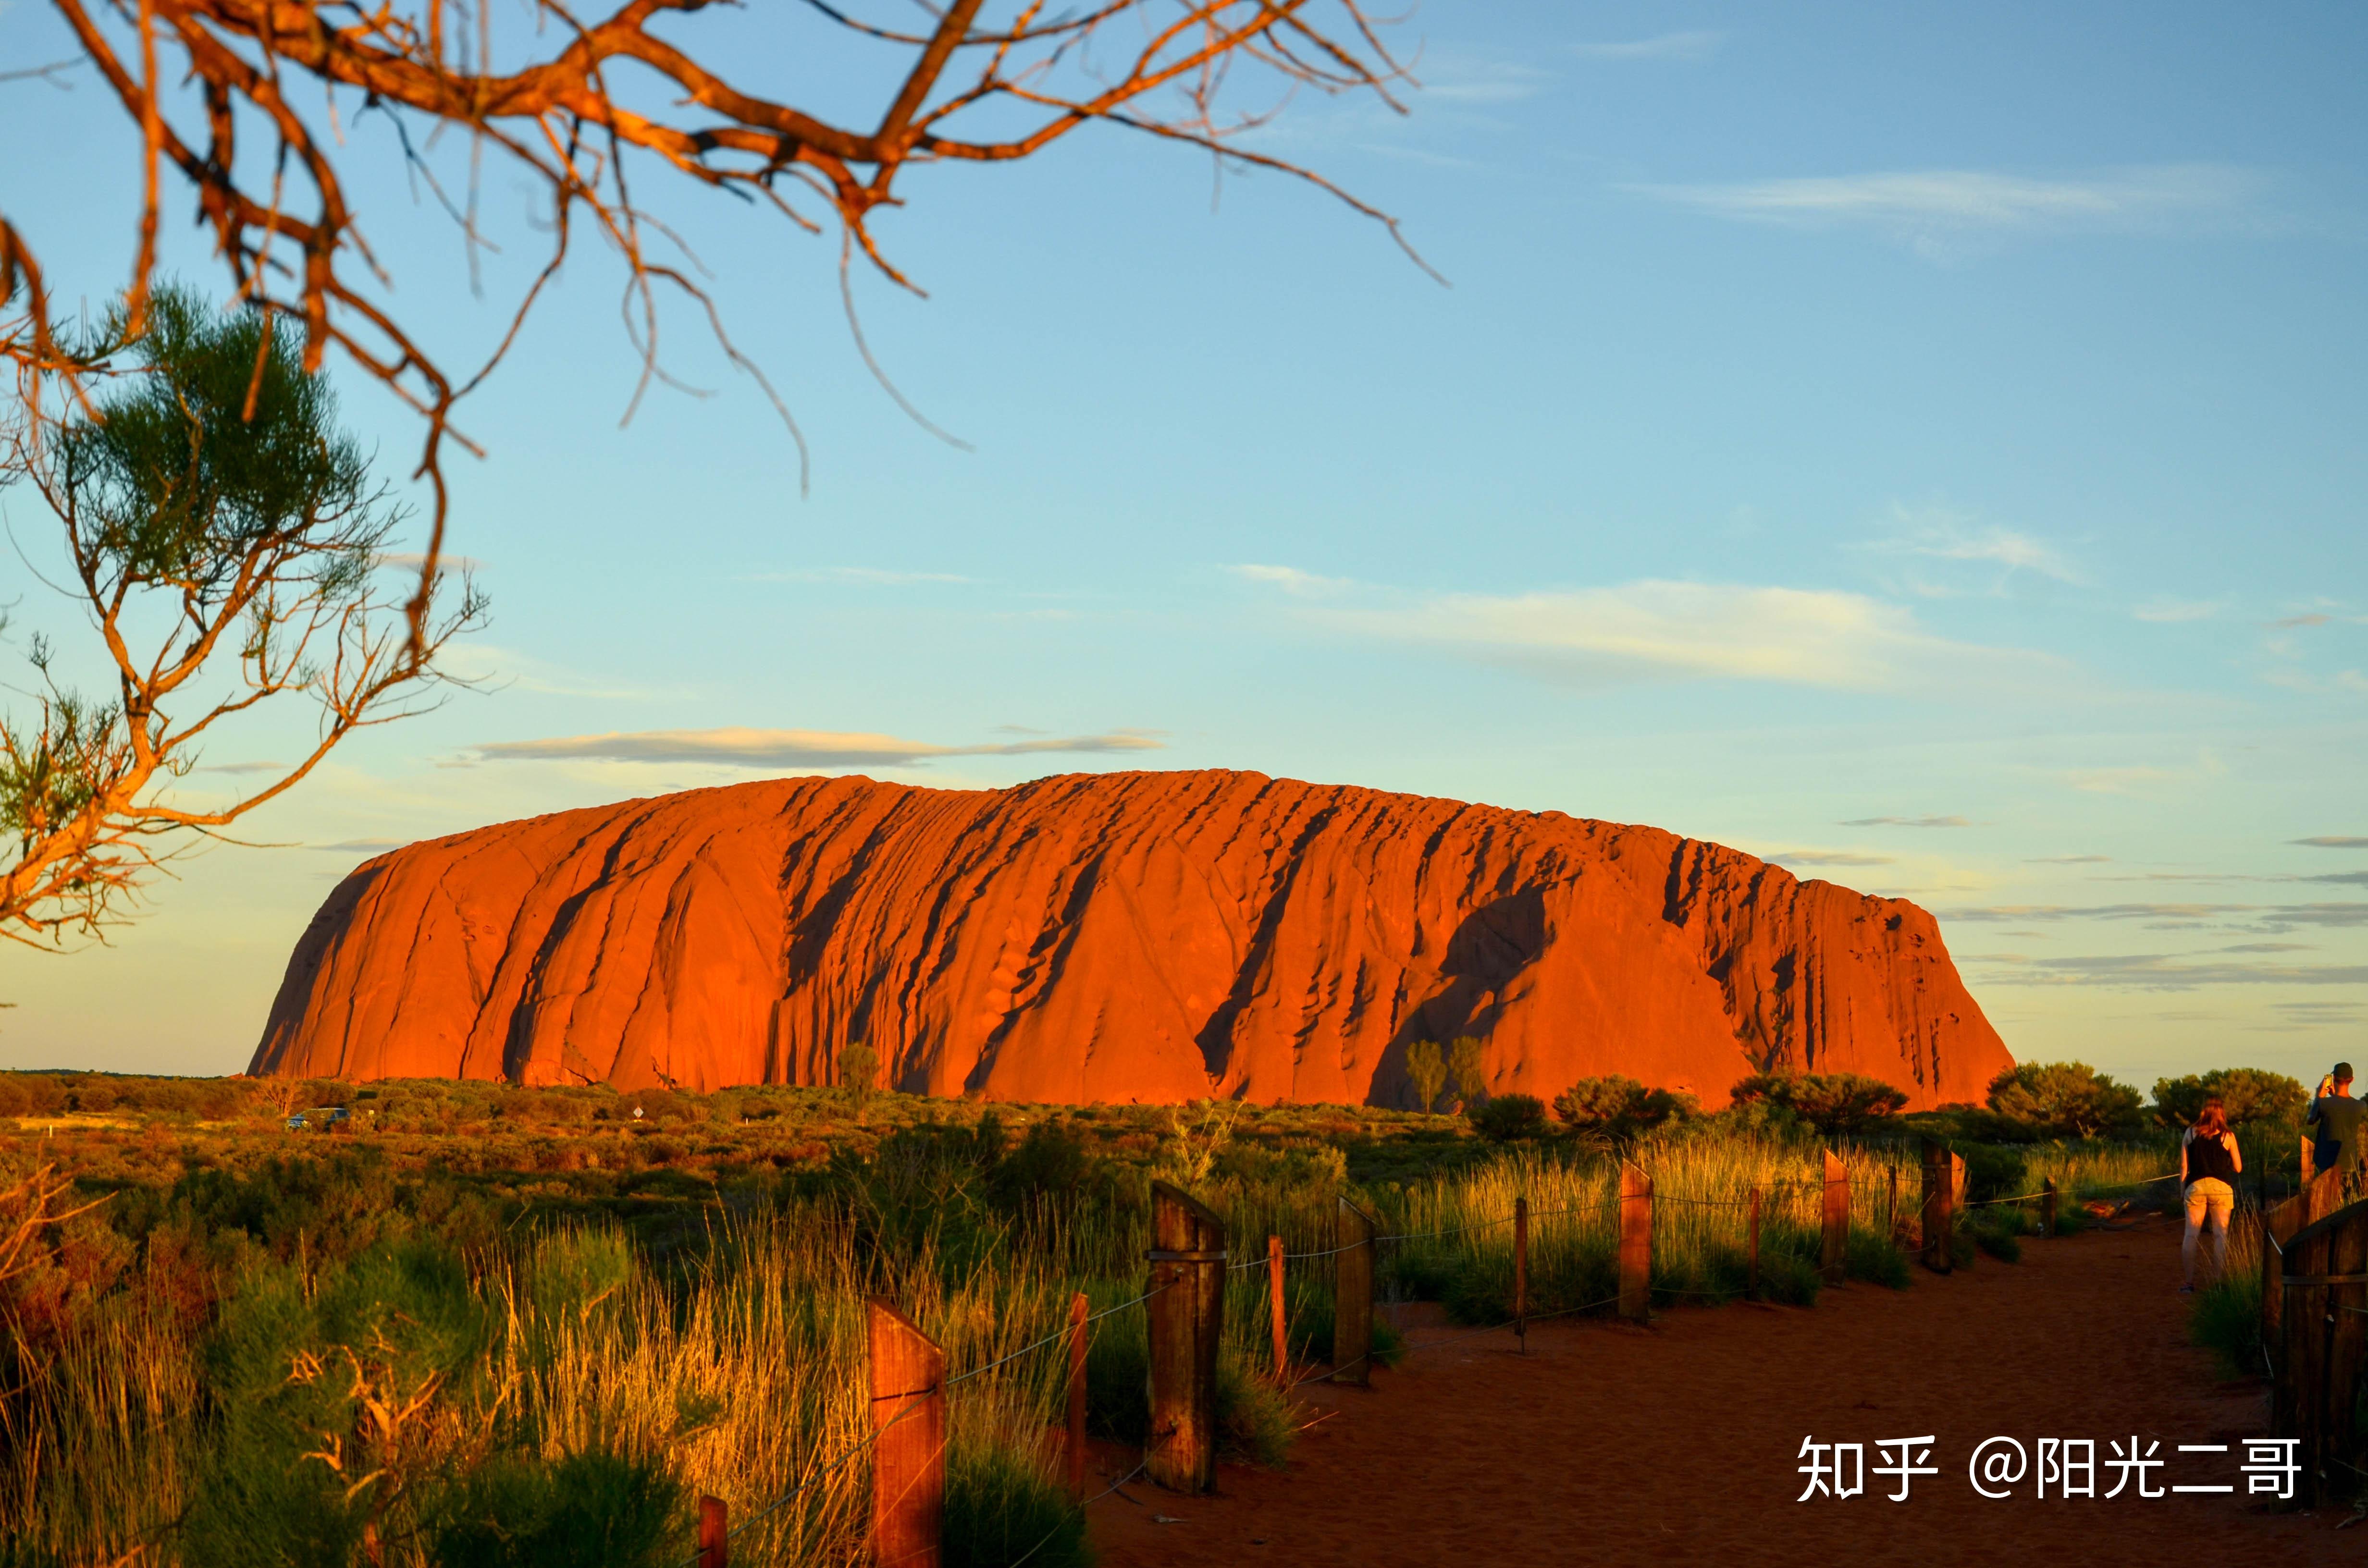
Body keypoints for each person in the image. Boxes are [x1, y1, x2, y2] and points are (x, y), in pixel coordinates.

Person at [2179, 1095, 2242, 1293]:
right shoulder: (2228, 1136)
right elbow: (2238, 1167)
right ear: (2222, 1113)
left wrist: (2182, 1191)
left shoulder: (2190, 1133)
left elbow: (2184, 1167)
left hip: (2195, 1187)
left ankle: (2189, 1283)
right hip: (2221, 1188)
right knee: (2220, 1236)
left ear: (2203, 1112)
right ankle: (2217, 1283)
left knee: (2191, 1235)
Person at [2306, 1063, 2363, 1179]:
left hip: (2327, 1164)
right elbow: (2343, 1107)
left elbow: (2310, 1119)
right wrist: (2335, 1096)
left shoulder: (2324, 1103)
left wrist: (2319, 1096)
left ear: (2334, 1079)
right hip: (2351, 1163)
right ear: (2352, 1080)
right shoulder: (2361, 1106)